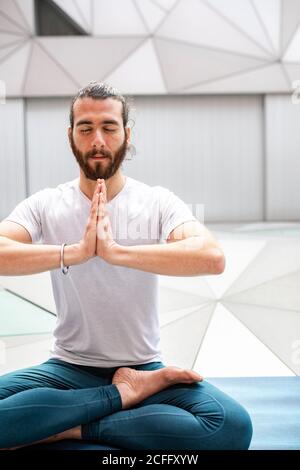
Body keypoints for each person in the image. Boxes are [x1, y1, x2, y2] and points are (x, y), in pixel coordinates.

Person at [0, 82, 252, 450]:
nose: (97, 139)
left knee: (230, 427)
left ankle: (68, 427)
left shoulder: (156, 201)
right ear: (71, 135)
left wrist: (114, 252)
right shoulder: (45, 205)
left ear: (126, 133)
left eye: (109, 127)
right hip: (67, 369)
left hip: (143, 368)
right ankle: (120, 398)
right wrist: (75, 252)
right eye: (86, 128)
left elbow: (211, 257)